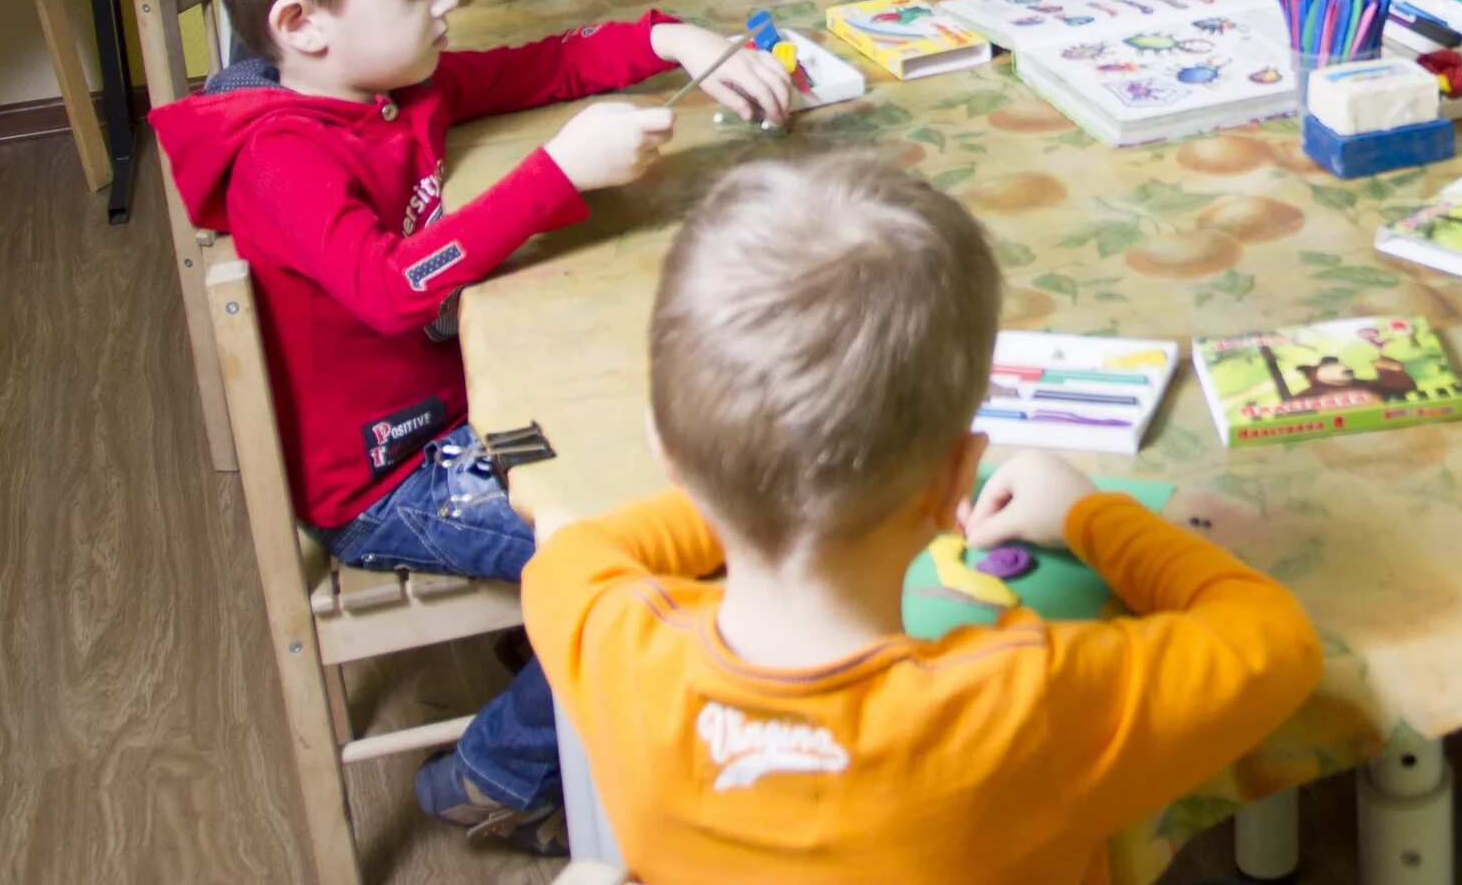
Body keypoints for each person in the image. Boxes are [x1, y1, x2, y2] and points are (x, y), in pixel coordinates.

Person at [149, 0, 794, 852]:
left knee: (700, 439)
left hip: (460, 405)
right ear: (302, 23)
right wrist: (556, 176)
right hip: (392, 475)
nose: (446, 0)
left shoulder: (391, 82)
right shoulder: (283, 155)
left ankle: (578, 684)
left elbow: (542, 63)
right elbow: (389, 289)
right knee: (657, 559)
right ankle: (494, 771)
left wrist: (672, 40)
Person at [523, 155, 1325, 881]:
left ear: (667, 455)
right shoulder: (1023, 706)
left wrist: (742, 479)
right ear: (957, 478)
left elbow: (577, 543)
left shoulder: (601, 625)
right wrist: (1089, 516)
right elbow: (1273, 640)